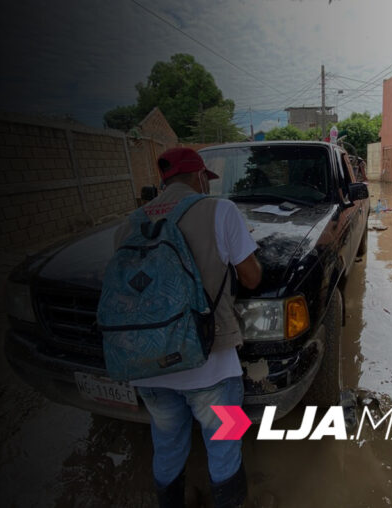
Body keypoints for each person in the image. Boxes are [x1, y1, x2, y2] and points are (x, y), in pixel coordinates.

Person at [115, 147, 262, 508]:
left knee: (166, 443)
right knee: (226, 443)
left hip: (148, 366)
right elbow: (252, 277)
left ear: (163, 182)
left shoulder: (129, 223)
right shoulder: (220, 210)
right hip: (211, 364)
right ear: (200, 177)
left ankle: (174, 501)